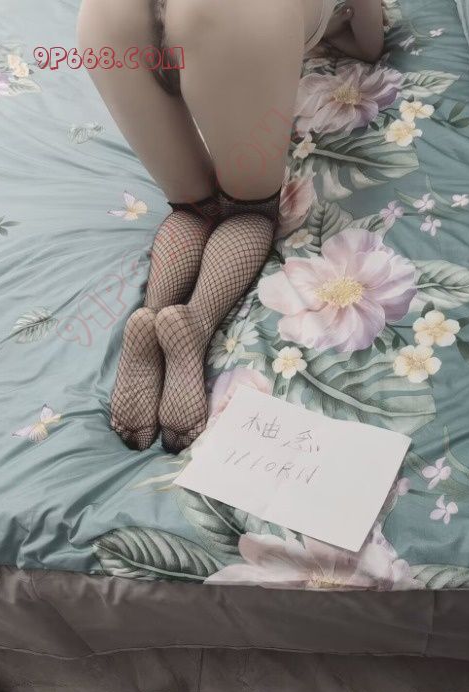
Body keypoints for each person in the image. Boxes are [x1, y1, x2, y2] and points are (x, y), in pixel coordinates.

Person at [76, 0, 385, 452]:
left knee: (191, 207)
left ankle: (151, 316)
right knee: (246, 210)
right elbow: (370, 40)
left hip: (107, 17)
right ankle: (194, 324)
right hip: (234, 14)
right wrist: (341, 29)